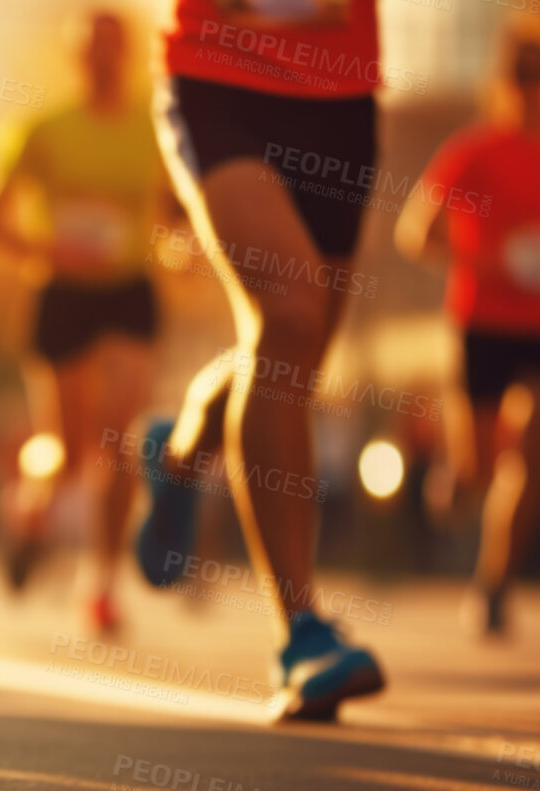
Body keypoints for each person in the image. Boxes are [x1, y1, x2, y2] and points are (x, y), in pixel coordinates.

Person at [131, 0, 385, 720]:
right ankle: (301, 633)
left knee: (290, 360)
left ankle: (179, 451)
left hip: (338, 93)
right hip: (216, 75)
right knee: (292, 312)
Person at [396, 34, 540, 639]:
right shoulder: (472, 153)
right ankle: (456, 472)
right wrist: (483, 260)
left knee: (533, 450)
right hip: (483, 319)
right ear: (503, 88)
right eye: (521, 82)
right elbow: (418, 234)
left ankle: (495, 582)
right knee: (483, 466)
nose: (532, 95)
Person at [0, 8, 167, 633]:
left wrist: (182, 242)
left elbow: (178, 211)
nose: (104, 58)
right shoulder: (41, 128)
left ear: (130, 54)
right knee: (70, 451)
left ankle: (103, 582)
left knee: (121, 439)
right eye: (92, 48)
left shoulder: (156, 127)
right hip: (61, 294)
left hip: (129, 292)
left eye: (115, 47)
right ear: (76, 58)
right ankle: (28, 507)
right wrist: (51, 249)